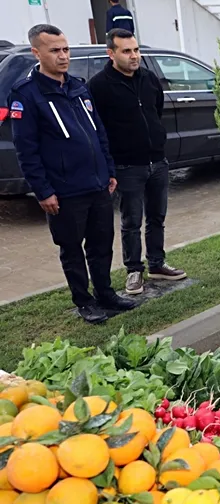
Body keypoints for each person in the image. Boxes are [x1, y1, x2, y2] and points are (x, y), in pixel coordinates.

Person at [8, 24, 137, 324]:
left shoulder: (78, 86)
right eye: (55, 51)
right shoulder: (27, 95)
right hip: (64, 190)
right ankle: (84, 300)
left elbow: (98, 131)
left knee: (101, 243)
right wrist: (43, 190)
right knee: (72, 249)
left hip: (97, 183)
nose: (63, 56)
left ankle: (106, 293)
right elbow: (26, 150)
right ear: (36, 53)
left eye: (65, 49)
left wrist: (108, 169)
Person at [88, 28, 186, 296]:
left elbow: (157, 109)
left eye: (136, 50)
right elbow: (98, 128)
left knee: (157, 217)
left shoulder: (149, 78)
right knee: (131, 220)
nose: (134, 56)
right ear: (111, 53)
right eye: (127, 51)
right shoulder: (99, 86)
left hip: (157, 161)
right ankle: (134, 270)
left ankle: (157, 263)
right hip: (127, 166)